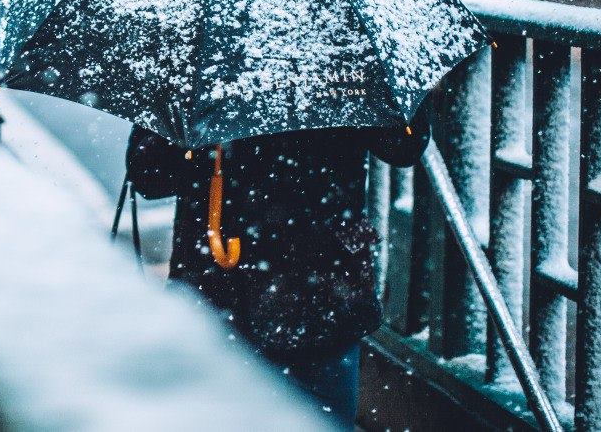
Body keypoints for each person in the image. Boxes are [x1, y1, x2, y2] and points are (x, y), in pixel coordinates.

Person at [125, 103, 431, 428]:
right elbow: (152, 175)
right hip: (295, 288)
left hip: (283, 291)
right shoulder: (345, 61)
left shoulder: (206, 65)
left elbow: (403, 146)